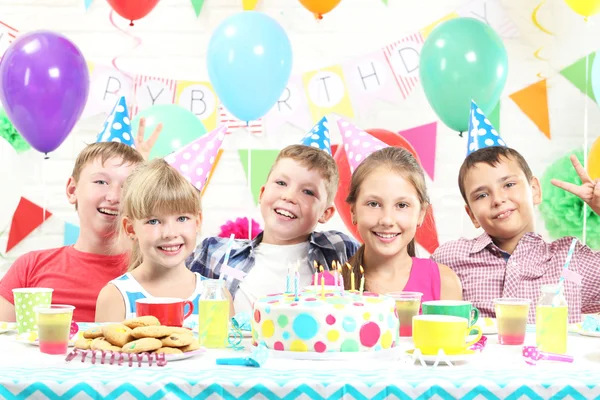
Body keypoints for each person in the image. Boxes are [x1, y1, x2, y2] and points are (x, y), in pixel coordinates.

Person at [0, 119, 161, 322]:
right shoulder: (30, 267)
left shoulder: (157, 272)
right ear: (72, 190)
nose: (113, 196)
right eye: (101, 181)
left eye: (127, 186)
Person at [433, 146, 600, 323]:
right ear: (472, 215)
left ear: (535, 190)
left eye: (509, 185)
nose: (498, 199)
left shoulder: (572, 259)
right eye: (482, 195)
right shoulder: (449, 260)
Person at [188, 144, 359, 314]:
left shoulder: (339, 248)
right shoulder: (215, 252)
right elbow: (171, 288)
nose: (289, 196)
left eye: (307, 191)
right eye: (281, 183)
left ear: (325, 213)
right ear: (262, 193)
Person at [95, 159, 232, 326]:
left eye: (182, 218)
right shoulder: (115, 297)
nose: (170, 233)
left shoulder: (216, 295)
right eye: (153, 221)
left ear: (197, 222)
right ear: (130, 229)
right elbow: (106, 351)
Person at [344, 147, 462, 300]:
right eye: (373, 204)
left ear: (421, 213)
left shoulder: (444, 282)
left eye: (401, 205)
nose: (387, 220)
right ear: (353, 211)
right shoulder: (326, 287)